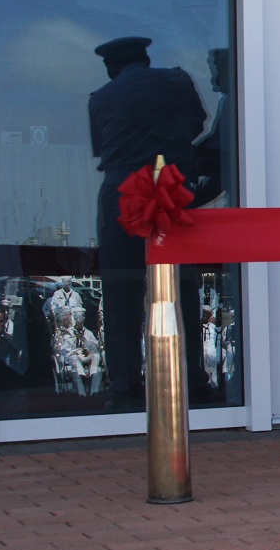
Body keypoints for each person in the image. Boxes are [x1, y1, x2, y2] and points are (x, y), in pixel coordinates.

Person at [88, 36, 211, 408]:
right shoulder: (176, 81)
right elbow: (195, 125)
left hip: (122, 190)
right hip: (169, 183)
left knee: (121, 289)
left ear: (112, 67)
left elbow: (102, 147)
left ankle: (125, 385)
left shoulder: (101, 97)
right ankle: (191, 379)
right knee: (182, 286)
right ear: (145, 57)